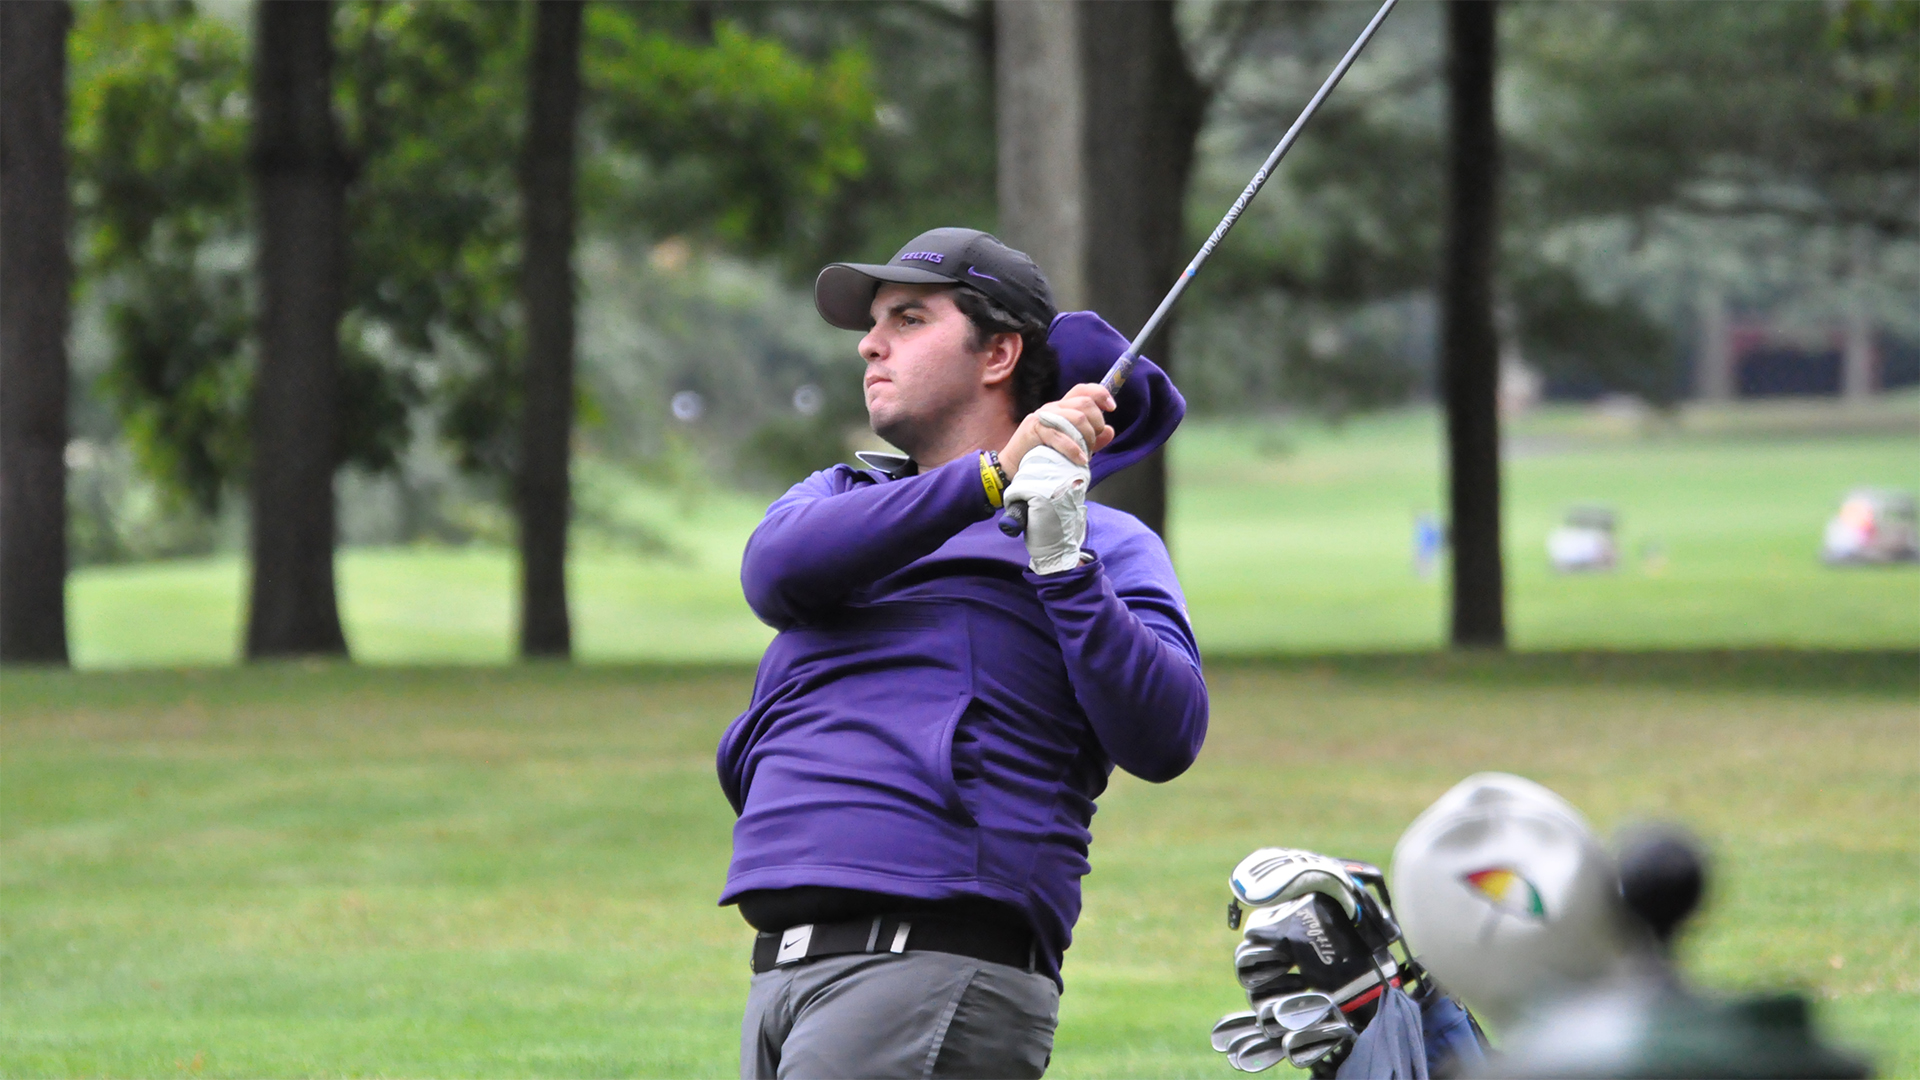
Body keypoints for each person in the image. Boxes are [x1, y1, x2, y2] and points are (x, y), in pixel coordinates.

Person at [716, 227, 1209, 1079]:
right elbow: (774, 572)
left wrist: (1061, 563)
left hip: (930, 964)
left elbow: (1167, 734)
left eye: (908, 318)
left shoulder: (1109, 542)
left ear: (999, 353)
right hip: (787, 973)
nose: (871, 343)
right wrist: (988, 478)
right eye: (874, 324)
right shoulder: (838, 499)